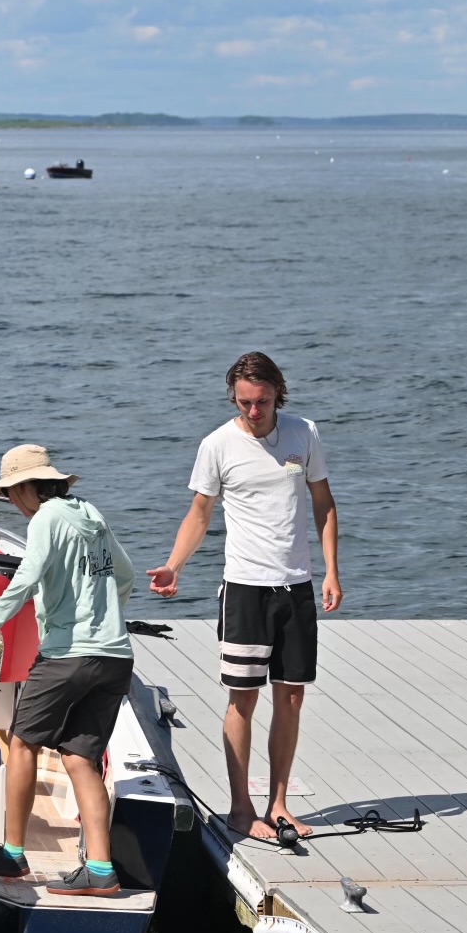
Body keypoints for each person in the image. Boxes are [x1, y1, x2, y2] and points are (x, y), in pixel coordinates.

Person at [147, 352, 340, 840]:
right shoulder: (217, 444)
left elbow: (323, 503)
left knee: (291, 698)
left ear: (279, 394)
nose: (255, 412)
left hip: (295, 586)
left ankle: (279, 804)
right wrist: (174, 565)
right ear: (234, 397)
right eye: (245, 402)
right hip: (244, 590)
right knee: (243, 700)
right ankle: (240, 808)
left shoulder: (304, 433)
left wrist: (331, 572)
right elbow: (199, 513)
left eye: (263, 402)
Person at [0, 444, 135, 895]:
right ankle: (100, 871)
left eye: (10, 495)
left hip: (67, 655)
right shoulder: (89, 512)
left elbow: (28, 574)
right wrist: (102, 614)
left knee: (22, 743)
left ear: (27, 487)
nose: (13, 505)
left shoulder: (45, 518)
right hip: (115, 655)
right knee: (81, 757)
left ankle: (12, 853)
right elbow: (125, 575)